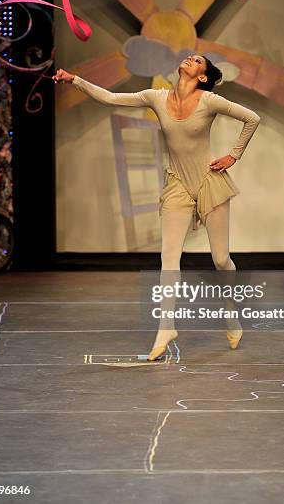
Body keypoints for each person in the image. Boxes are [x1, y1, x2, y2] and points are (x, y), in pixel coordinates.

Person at [52, 55, 261, 360]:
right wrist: (75, 80)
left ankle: (231, 313)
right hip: (177, 183)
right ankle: (166, 326)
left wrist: (234, 155)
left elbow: (252, 118)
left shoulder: (210, 100)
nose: (190, 58)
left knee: (220, 259)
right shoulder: (156, 97)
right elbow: (111, 97)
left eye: (198, 60)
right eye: (190, 57)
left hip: (209, 181)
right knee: (169, 258)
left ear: (203, 76)